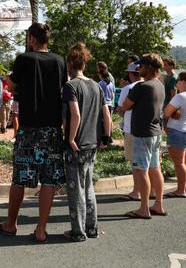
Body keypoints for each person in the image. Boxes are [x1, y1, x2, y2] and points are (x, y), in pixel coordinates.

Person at [0, 23, 67, 242]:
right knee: (49, 180)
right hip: (52, 128)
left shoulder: (25, 59)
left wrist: (9, 79)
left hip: (29, 127)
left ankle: (11, 224)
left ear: (32, 38)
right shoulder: (60, 61)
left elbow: (12, 86)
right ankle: (41, 229)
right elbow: (63, 88)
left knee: (20, 178)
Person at [62, 43, 111, 242]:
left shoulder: (71, 86)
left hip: (77, 144)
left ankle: (78, 231)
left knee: (76, 189)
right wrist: (106, 137)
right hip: (93, 143)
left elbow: (75, 114)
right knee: (89, 186)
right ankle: (92, 228)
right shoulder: (96, 86)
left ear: (70, 64)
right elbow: (106, 114)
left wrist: (71, 138)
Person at [121, 54, 166, 219]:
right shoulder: (159, 85)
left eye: (141, 66)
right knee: (155, 169)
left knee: (141, 171)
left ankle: (144, 208)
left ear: (148, 67)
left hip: (142, 134)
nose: (138, 69)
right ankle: (159, 205)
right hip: (155, 132)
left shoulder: (141, 87)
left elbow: (125, 105)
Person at [163, 72, 186, 198]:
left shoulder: (179, 97)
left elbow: (166, 113)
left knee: (179, 163)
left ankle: (180, 190)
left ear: (184, 82)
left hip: (178, 131)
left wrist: (165, 126)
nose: (176, 83)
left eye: (178, 80)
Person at [117, 63, 145, 201]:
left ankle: (136, 191)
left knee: (134, 162)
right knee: (147, 162)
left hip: (130, 128)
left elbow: (121, 109)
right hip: (148, 130)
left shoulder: (127, 88)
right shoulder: (150, 86)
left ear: (131, 74)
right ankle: (147, 190)